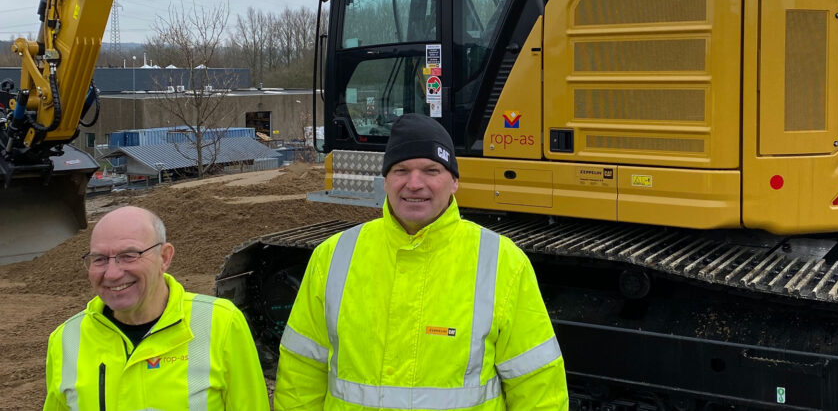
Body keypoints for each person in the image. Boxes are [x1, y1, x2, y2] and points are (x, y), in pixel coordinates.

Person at [274, 113, 567, 410]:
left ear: (454, 181)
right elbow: (301, 373)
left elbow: (536, 384)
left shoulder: (502, 262)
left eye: (431, 170)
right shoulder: (333, 256)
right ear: (386, 180)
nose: (414, 184)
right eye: (401, 170)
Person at [43, 206, 270, 410]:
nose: (111, 273)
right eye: (99, 259)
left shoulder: (221, 323)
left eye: (128, 256)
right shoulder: (65, 339)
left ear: (165, 257)